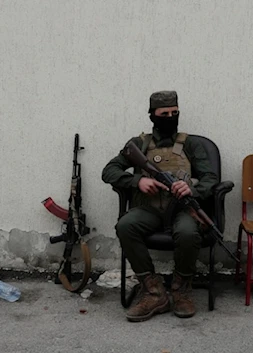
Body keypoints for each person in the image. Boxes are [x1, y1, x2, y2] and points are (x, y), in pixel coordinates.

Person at [102, 90, 218, 322]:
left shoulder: (191, 144)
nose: (170, 117)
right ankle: (153, 291)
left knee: (187, 232)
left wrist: (191, 190)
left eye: (174, 112)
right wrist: (138, 180)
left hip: (182, 209)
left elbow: (211, 178)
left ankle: (180, 289)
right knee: (125, 225)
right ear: (152, 115)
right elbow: (109, 171)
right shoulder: (139, 144)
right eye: (164, 113)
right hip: (149, 209)